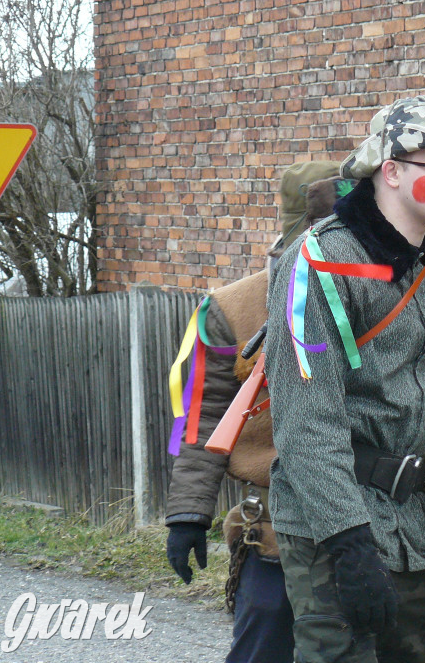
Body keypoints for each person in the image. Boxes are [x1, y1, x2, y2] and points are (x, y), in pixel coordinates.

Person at [264, 96, 425, 663]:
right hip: (332, 528)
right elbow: (304, 420)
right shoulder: (318, 263)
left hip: (412, 529)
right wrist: (348, 542)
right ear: (390, 171)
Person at [164, 160, 344, 663]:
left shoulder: (386, 293)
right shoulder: (227, 310)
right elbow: (197, 417)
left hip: (368, 525)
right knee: (265, 640)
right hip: (271, 531)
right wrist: (187, 515)